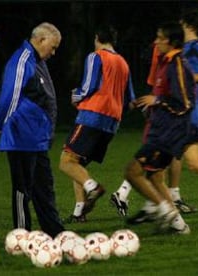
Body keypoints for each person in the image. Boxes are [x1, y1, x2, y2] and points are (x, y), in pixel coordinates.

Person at [0, 22, 64, 238]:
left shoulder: (36, 61)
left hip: (36, 138)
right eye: (53, 46)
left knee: (44, 188)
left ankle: (56, 233)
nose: (54, 52)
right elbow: (9, 98)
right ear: (41, 40)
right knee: (23, 190)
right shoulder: (22, 60)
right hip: (21, 137)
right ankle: (21, 236)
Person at [58, 24, 135, 223]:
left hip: (92, 115)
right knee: (78, 164)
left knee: (66, 162)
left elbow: (89, 86)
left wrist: (76, 96)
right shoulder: (124, 63)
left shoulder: (96, 56)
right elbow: (130, 100)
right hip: (111, 123)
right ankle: (78, 212)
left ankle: (94, 188)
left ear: (97, 38)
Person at [124, 21, 195, 234]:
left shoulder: (178, 65)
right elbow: (163, 98)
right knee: (154, 177)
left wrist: (157, 101)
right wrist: (149, 105)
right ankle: (180, 226)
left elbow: (185, 102)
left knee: (132, 172)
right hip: (160, 129)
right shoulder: (165, 63)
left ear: (171, 42)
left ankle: (165, 211)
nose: (156, 42)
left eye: (160, 38)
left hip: (169, 133)